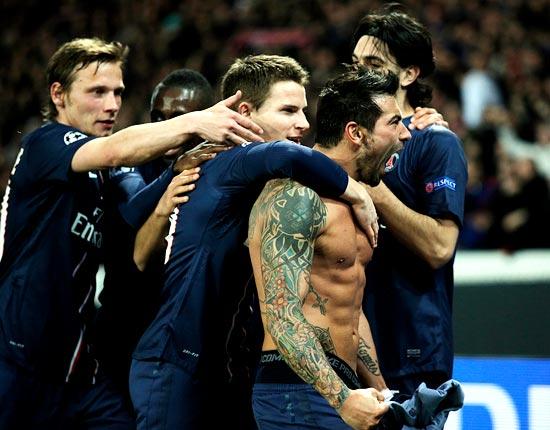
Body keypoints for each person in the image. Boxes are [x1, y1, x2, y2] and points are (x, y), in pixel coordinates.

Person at [0, 37, 264, 429]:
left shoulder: (101, 173)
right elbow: (113, 151)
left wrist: (176, 172)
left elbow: (131, 207)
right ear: (58, 94)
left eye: (118, 93)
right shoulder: (45, 145)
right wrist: (194, 120)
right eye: (97, 92)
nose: (111, 105)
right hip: (19, 355)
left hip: (78, 365)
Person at [129, 55, 381, 430]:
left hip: (215, 363)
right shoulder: (232, 160)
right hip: (176, 363)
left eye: (303, 110)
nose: (303, 123)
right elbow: (285, 153)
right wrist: (355, 192)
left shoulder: (246, 176)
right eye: (288, 110)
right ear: (244, 112)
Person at [248, 67, 410, 430]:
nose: (405, 134)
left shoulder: (357, 199)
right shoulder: (294, 196)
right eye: (395, 123)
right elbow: (280, 313)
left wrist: (382, 394)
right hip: (295, 388)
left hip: (340, 384)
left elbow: (349, 304)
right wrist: (341, 398)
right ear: (356, 132)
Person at [352, 6, 468, 398]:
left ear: (408, 74)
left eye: (374, 63)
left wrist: (370, 186)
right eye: (355, 63)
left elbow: (439, 247)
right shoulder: (346, 144)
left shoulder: (435, 142)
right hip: (348, 348)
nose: (360, 73)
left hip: (411, 350)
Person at [92, 68, 218, 404]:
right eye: (158, 117)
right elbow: (134, 209)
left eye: (178, 118)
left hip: (183, 344)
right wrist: (174, 173)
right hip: (122, 334)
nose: (166, 127)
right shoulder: (128, 167)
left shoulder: (219, 172)